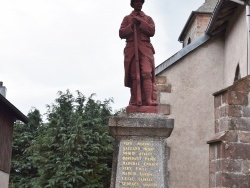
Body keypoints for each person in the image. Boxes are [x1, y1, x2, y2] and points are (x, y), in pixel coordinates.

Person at [119, 0, 157, 106]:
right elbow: (121, 33)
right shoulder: (127, 18)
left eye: (141, 1)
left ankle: (148, 100)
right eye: (136, 1)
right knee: (134, 76)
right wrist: (131, 25)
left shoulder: (148, 18)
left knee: (146, 72)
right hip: (132, 49)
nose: (139, 3)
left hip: (145, 48)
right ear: (133, 4)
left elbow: (151, 31)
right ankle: (135, 100)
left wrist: (140, 22)